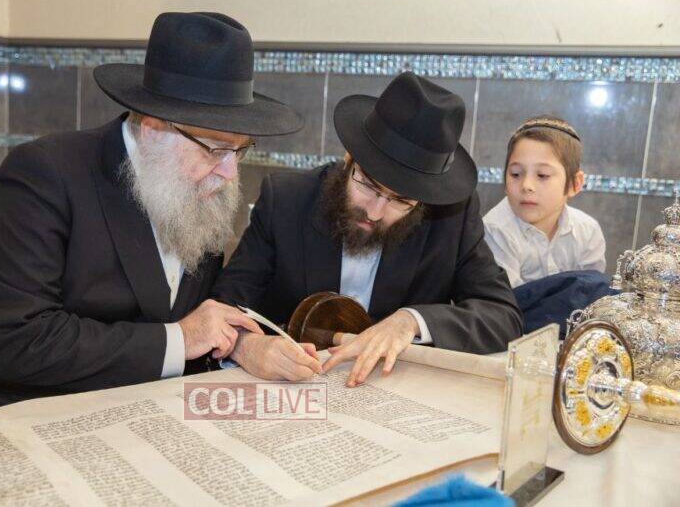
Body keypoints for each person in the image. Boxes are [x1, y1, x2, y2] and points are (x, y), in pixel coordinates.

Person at [0, 12, 303, 419]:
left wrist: (242, 344)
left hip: (126, 410)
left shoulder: (200, 188)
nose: (230, 172)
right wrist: (181, 339)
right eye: (216, 149)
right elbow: (21, 340)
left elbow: (200, 313)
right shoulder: (44, 173)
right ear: (154, 130)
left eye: (239, 150)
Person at [213, 73, 523, 387]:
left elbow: (502, 316)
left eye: (401, 201)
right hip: (290, 389)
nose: (374, 212)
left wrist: (411, 321)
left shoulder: (451, 217)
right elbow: (226, 303)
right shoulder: (286, 200)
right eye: (368, 185)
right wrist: (247, 346)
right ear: (349, 159)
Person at [483, 116, 609, 336]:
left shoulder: (588, 231)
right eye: (515, 174)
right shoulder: (495, 230)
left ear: (575, 184)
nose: (526, 185)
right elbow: (507, 309)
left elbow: (591, 301)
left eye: (542, 175)